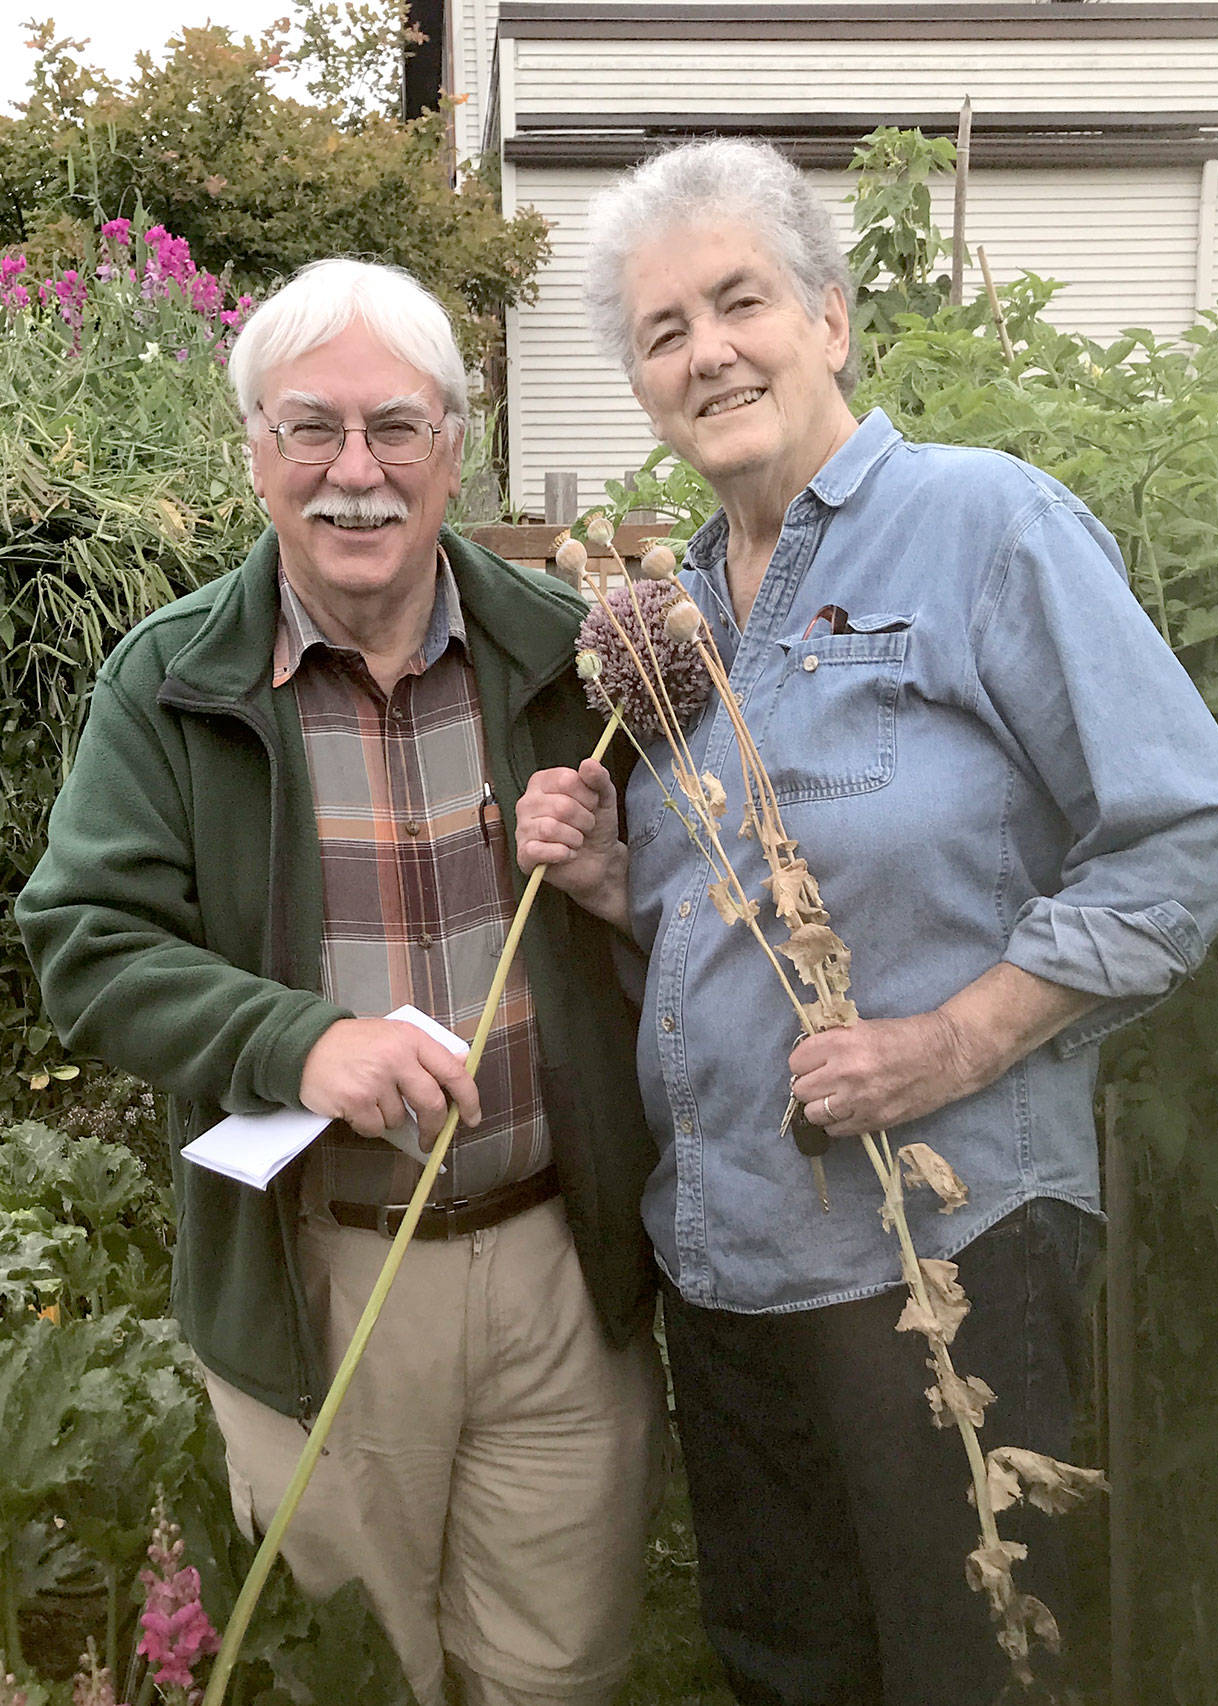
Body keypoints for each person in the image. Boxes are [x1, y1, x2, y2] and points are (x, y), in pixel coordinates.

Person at [514, 140, 1218, 1706]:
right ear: (643, 384)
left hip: (949, 1254)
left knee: (974, 1666)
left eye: (741, 302)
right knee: (790, 1671)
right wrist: (612, 891)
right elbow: (748, 932)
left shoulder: (986, 526)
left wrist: (949, 1043)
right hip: (728, 1271)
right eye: (664, 330)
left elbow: (1188, 831)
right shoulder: (689, 622)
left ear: (833, 319)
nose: (707, 349)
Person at [17, 258, 663, 1706]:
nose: (354, 473)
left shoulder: (572, 657)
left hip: (564, 1268)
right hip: (324, 1271)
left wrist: (626, 884)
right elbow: (85, 939)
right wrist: (299, 1042)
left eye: (394, 428)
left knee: (556, 1673)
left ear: (453, 443)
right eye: (310, 429)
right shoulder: (173, 680)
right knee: (349, 1674)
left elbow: (710, 919)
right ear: (254, 451)